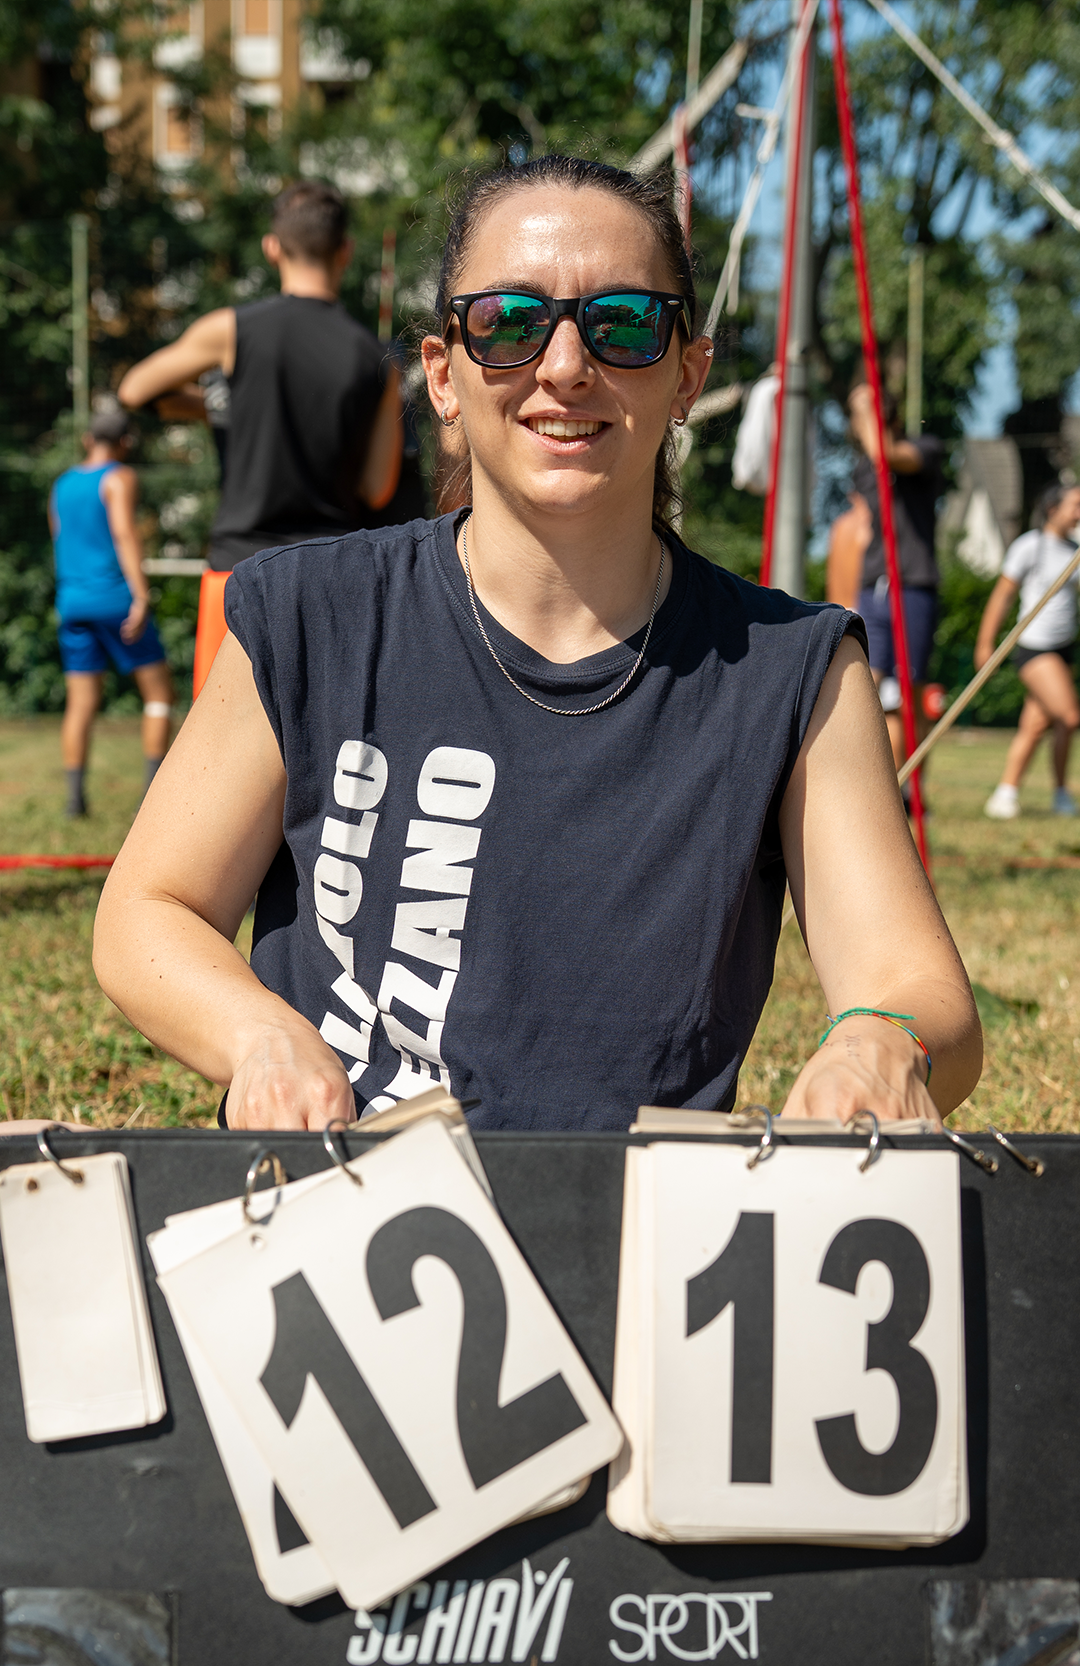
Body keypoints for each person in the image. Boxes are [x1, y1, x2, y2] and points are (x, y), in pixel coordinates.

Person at [94, 157, 981, 1133]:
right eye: (509, 321)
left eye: (625, 323)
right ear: (443, 375)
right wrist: (262, 1035)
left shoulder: (796, 670)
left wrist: (880, 1043)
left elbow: (915, 987)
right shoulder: (308, 616)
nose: (564, 366)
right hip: (341, 1203)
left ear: (687, 375)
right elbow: (149, 909)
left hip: (643, 1220)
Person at [117, 180, 404, 695]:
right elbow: (377, 488)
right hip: (332, 575)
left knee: (220, 739)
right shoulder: (377, 359)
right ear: (345, 250)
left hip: (237, 573)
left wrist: (221, 410)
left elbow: (135, 389)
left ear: (272, 247)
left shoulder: (233, 330)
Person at [49, 406, 173, 817]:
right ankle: (150, 798)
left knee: (81, 702)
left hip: (72, 601)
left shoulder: (62, 484)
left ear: (87, 439)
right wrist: (141, 595)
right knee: (159, 694)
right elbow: (123, 533)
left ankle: (74, 801)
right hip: (114, 599)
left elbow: (58, 536)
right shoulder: (119, 477)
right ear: (124, 443)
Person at [849, 380, 944, 774]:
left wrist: (865, 408)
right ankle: (869, 781)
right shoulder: (863, 470)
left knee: (909, 691)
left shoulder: (924, 449)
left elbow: (886, 454)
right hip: (874, 587)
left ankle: (911, 783)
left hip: (913, 586)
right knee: (865, 687)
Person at [979, 482, 1080, 820]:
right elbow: (1002, 596)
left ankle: (1005, 794)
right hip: (1035, 647)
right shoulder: (1031, 546)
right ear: (1053, 509)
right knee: (1069, 716)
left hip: (1063, 647)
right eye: (1075, 505)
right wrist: (985, 644)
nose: (1079, 513)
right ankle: (1061, 794)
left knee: (1035, 724)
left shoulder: (1075, 550)